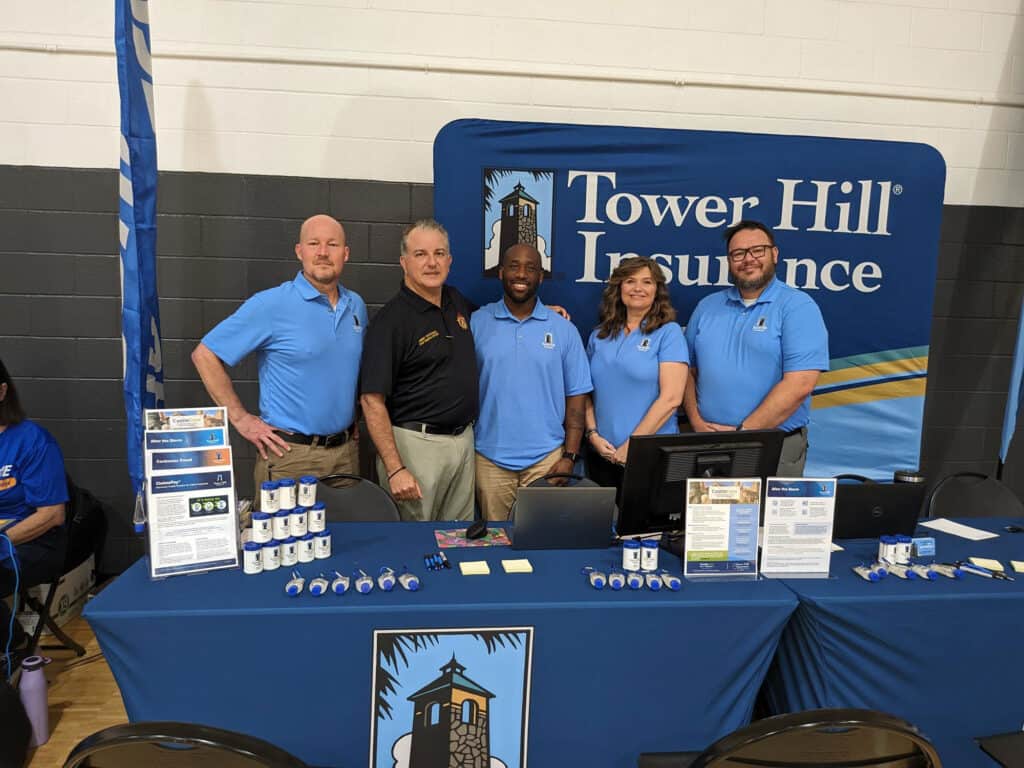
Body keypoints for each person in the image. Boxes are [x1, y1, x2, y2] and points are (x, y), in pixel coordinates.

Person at [192, 214, 367, 499]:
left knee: (344, 541)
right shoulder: (271, 304)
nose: (323, 252)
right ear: (299, 251)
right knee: (284, 542)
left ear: (345, 254)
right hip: (290, 457)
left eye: (332, 244)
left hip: (346, 454)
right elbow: (205, 355)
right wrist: (240, 419)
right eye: (314, 243)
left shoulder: (356, 306)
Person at [683, 220, 829, 476]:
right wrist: (696, 421)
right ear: (729, 261)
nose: (748, 259)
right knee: (709, 517)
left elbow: (801, 384)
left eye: (757, 250)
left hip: (773, 447)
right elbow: (686, 372)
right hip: (707, 446)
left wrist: (743, 435)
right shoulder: (707, 307)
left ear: (774, 253)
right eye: (738, 253)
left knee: (764, 517)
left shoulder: (797, 307)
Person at [360, 219, 478, 522]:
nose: (431, 263)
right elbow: (371, 401)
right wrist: (395, 468)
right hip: (415, 447)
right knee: (415, 541)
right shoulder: (391, 322)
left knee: (458, 538)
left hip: (463, 442)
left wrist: (546, 312)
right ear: (404, 262)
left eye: (439, 254)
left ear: (449, 261)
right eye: (420, 254)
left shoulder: (456, 301)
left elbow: (498, 317)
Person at [472, 244, 593, 521]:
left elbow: (576, 400)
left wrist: (570, 457)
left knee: (543, 543)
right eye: (514, 266)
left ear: (541, 276)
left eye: (531, 268)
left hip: (547, 461)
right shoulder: (478, 322)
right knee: (495, 544)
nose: (521, 274)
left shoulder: (563, 329)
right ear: (501, 272)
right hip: (489, 459)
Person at [584, 256, 688, 490]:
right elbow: (585, 392)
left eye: (647, 282)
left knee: (645, 527)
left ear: (657, 290)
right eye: (630, 281)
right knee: (601, 525)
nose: (638, 288)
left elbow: (672, 398)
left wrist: (631, 446)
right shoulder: (599, 335)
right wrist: (592, 435)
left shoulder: (668, 333)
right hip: (601, 454)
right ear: (619, 287)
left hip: (649, 456)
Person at [0, 358, 68, 671]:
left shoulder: (31, 440)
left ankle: (13, 648)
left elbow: (52, 515)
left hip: (35, 542)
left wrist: (3, 540)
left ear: (2, 391)